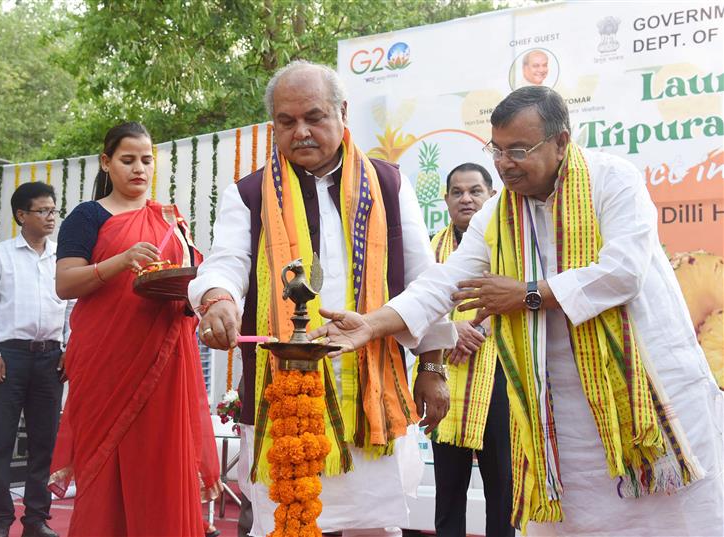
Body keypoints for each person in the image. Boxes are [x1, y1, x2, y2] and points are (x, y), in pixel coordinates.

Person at [309, 86, 723, 536]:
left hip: (649, 396)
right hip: (560, 416)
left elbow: (622, 272)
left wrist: (528, 295)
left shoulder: (612, 180)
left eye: (519, 150)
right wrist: (370, 324)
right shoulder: (496, 216)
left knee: (672, 521)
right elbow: (442, 285)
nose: (504, 163)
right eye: (497, 149)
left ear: (562, 142)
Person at [189, 60, 450, 537]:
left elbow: (423, 282)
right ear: (274, 126)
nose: (301, 132)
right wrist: (218, 296)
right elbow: (225, 261)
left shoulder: (388, 185)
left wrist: (432, 367)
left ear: (342, 112)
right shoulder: (248, 194)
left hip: (369, 400)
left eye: (314, 117)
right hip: (280, 397)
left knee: (376, 526)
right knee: (287, 522)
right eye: (287, 122)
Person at [48, 121, 220, 536]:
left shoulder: (169, 219)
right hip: (106, 361)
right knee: (104, 463)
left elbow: (189, 280)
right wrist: (121, 262)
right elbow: (65, 283)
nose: (138, 169)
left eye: (146, 160)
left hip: (165, 361)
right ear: (107, 162)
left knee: (161, 461)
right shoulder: (87, 216)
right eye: (127, 160)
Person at [0, 182, 74, 537]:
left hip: (50, 358)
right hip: (7, 358)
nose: (50, 218)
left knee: (45, 442)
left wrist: (69, 349)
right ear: (21, 215)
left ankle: (35, 520)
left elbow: (73, 309)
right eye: (42, 211)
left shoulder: (62, 257)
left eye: (53, 211)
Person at [429, 164, 514, 536]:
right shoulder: (432, 248)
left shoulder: (511, 245)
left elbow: (522, 295)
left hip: (499, 376)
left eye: (475, 191)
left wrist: (478, 328)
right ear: (446, 200)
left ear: (491, 196)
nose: (466, 199)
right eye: (458, 192)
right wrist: (452, 330)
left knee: (503, 488)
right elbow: (419, 304)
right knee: (448, 491)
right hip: (443, 378)